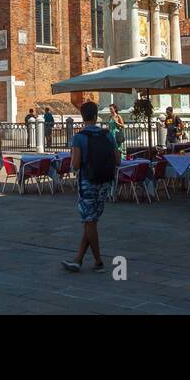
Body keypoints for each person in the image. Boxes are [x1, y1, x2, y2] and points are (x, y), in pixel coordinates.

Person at [63, 101, 119, 273]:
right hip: (104, 182)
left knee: (89, 221)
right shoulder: (108, 135)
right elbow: (118, 160)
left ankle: (98, 262)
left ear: (82, 116)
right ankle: (78, 259)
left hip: (87, 182)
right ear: (96, 116)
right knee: (92, 222)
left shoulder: (79, 137)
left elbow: (76, 165)